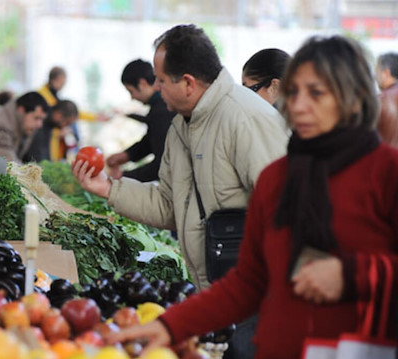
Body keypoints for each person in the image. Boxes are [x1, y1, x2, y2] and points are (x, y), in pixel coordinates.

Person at [108, 35, 396, 359]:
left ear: (354, 99)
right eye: (295, 91)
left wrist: (353, 274)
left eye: (316, 93)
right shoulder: (276, 179)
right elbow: (248, 282)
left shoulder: (387, 175)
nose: (299, 105)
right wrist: (172, 326)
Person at [72, 24, 288, 359]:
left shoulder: (245, 118)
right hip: (220, 298)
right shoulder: (181, 128)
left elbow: (285, 216)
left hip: (258, 302)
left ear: (187, 82)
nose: (156, 88)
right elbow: (170, 206)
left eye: (161, 80)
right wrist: (108, 189)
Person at [106, 59, 175, 182]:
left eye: (131, 91)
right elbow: (152, 140)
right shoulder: (158, 108)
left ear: (142, 83)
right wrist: (126, 155)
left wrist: (123, 178)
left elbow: (163, 165)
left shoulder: (164, 109)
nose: (132, 97)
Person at [376, 52, 398, 148]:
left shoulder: (381, 100)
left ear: (386, 73)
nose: (376, 78)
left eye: (377, 73)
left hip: (390, 160)